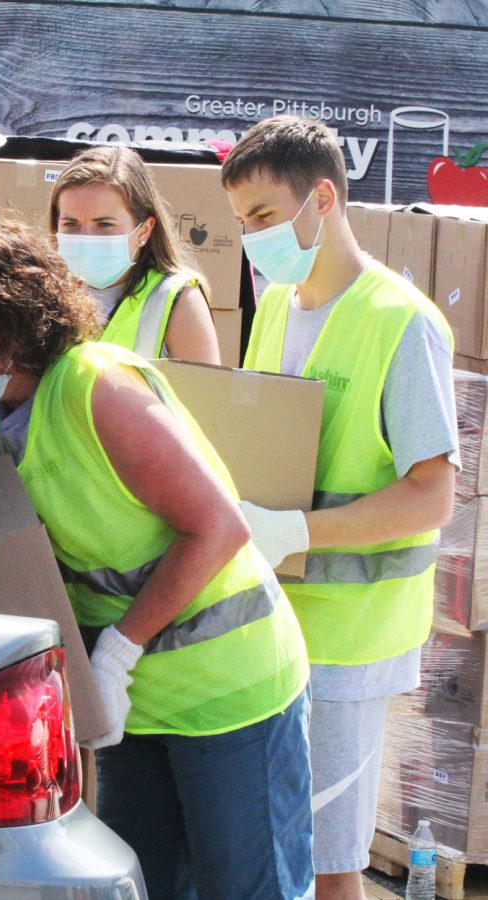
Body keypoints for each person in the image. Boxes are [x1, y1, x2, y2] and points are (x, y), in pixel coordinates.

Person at [0, 213, 314, 900]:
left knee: (247, 890)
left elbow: (219, 527)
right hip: (135, 705)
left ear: (7, 326)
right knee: (147, 886)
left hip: (229, 694)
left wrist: (119, 651)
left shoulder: (96, 389)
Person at [221, 116, 458, 900]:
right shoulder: (280, 309)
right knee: (292, 847)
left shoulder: (400, 321)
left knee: (331, 865)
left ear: (323, 198)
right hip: (278, 623)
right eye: (241, 223)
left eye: (262, 217)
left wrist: (297, 531)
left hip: (353, 638)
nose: (251, 239)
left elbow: (433, 493)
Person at [49, 145, 221, 363]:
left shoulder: (177, 300)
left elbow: (204, 394)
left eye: (104, 224)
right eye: (70, 224)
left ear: (144, 230)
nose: (86, 237)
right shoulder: (46, 296)